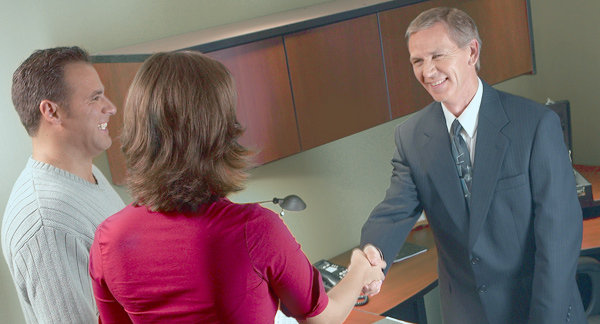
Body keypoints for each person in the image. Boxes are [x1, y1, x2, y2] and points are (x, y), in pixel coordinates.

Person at [88, 51, 385, 324]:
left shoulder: (108, 240)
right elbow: (322, 318)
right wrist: (359, 268)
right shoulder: (255, 230)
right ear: (219, 130)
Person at [360, 7, 585, 324]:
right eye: (417, 61)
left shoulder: (534, 125)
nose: (428, 71)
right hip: (466, 313)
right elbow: (395, 208)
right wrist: (374, 254)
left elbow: (559, 240)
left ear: (472, 52)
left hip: (538, 306)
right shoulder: (411, 137)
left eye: (438, 56)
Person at [1, 46, 125, 323]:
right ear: (51, 112)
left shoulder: (86, 172)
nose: (111, 107)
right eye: (95, 98)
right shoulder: (47, 222)